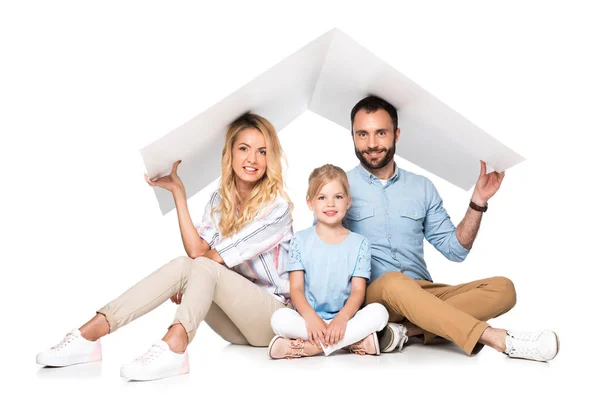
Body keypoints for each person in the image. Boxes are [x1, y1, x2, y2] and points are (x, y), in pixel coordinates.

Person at [36, 113, 296, 380]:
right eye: (244, 148)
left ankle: (173, 348)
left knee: (198, 267)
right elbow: (196, 251)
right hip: (236, 328)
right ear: (230, 153)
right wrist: (178, 194)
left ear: (270, 158)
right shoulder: (221, 201)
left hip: (274, 322)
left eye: (262, 152)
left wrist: (192, 279)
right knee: (188, 266)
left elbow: (209, 259)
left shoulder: (277, 208)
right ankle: (88, 338)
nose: (252, 159)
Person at [343, 95, 559, 362]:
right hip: (376, 295)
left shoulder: (422, 187)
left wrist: (478, 201)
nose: (372, 144)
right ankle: (497, 338)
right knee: (393, 282)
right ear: (352, 135)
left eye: (381, 133)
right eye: (362, 134)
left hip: (422, 291)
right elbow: (324, 252)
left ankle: (406, 332)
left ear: (396, 134)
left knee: (504, 289)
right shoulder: (339, 187)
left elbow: (455, 250)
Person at [268, 164, 389, 359]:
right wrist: (311, 319)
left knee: (380, 313)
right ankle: (352, 342)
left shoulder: (360, 244)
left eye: (338, 197)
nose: (330, 204)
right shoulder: (300, 240)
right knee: (279, 319)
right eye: (322, 197)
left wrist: (341, 320)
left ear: (348, 202)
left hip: (346, 319)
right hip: (309, 320)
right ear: (310, 203)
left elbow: (358, 291)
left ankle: (309, 348)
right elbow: (296, 289)